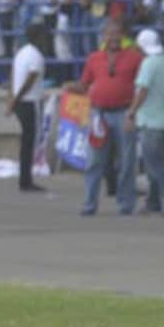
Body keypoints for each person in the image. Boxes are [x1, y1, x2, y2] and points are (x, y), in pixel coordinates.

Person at [65, 20, 143, 216]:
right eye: (109, 34)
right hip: (98, 114)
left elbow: (143, 86)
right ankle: (89, 203)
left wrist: (134, 112)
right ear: (103, 37)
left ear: (123, 36)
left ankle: (125, 204)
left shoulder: (135, 57)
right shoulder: (94, 58)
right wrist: (71, 87)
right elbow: (84, 84)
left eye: (117, 34)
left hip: (124, 112)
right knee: (94, 161)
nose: (113, 38)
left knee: (127, 161)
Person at [126, 27, 164, 215]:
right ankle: (153, 202)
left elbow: (142, 90)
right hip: (161, 119)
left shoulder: (148, 64)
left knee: (155, 165)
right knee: (153, 162)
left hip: (148, 120)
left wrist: (131, 113)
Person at [5, 22, 47, 193]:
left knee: (26, 142)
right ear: (38, 37)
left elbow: (13, 76)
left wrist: (11, 100)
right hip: (29, 101)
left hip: (20, 101)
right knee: (30, 141)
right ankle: (26, 180)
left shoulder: (21, 52)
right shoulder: (37, 56)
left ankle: (25, 178)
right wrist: (16, 99)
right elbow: (29, 81)